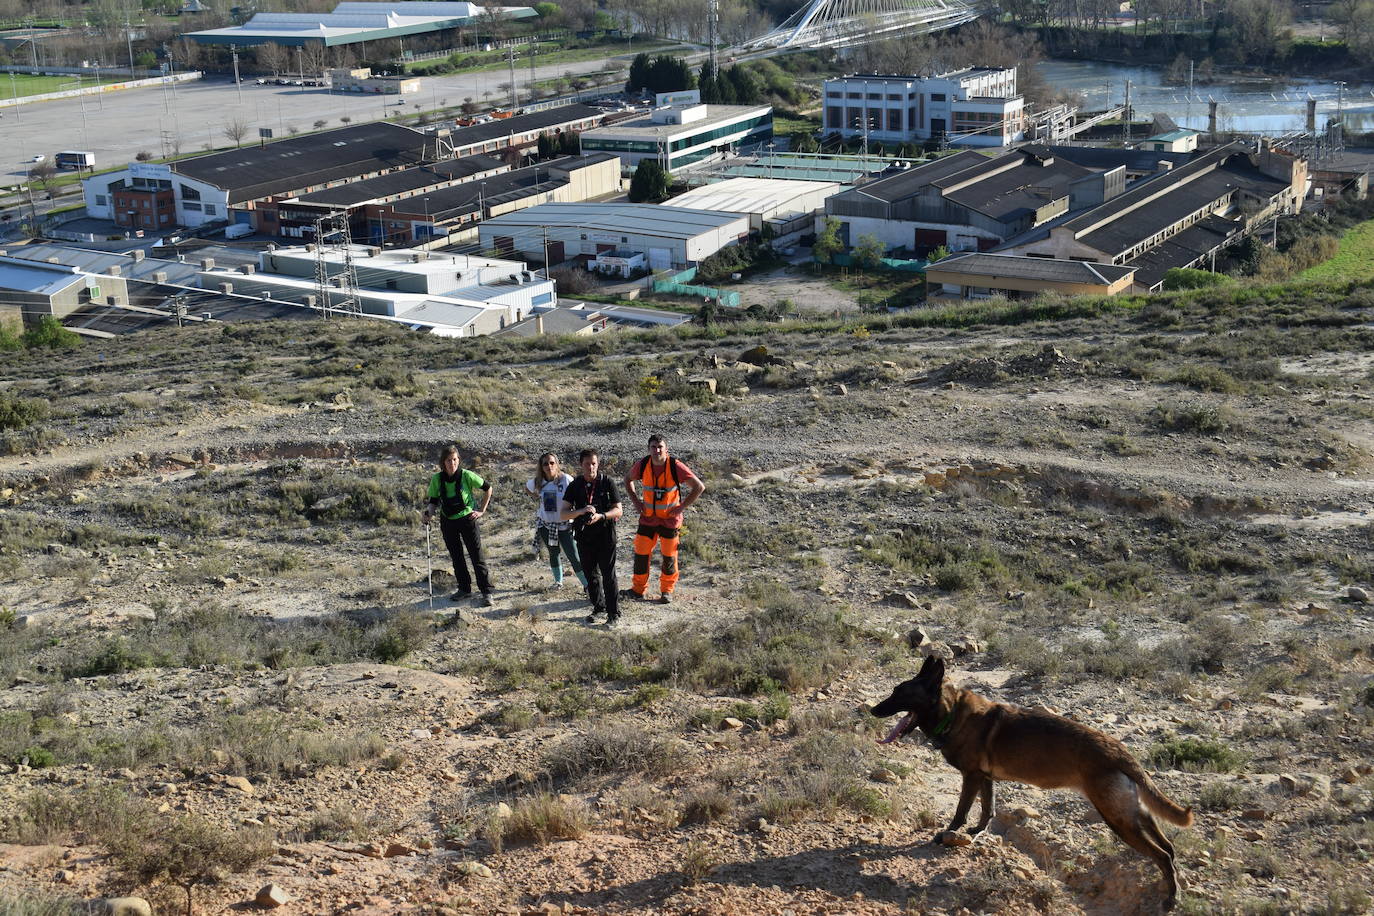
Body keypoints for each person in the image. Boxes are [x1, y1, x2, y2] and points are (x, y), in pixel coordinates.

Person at [622, 433, 704, 605]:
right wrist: (636, 502)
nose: (657, 450)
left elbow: (699, 487)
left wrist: (682, 507)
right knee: (641, 556)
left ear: (667, 450)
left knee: (669, 557)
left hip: (669, 521)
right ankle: (638, 590)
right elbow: (628, 479)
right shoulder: (643, 464)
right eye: (653, 447)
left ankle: (667, 591)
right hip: (648, 520)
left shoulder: (675, 466)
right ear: (648, 449)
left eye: (660, 447)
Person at [422, 444, 494, 607]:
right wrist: (428, 514)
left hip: (467, 519)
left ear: (458, 460)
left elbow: (488, 488)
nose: (452, 463)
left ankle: (486, 592)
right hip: (447, 521)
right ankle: (464, 589)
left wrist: (481, 510)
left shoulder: (467, 475)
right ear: (443, 462)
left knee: (476, 556)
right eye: (449, 460)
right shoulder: (437, 479)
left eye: (455, 460)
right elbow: (433, 500)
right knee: (457, 557)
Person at [560, 448, 623, 626]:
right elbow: (563, 514)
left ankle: (613, 613)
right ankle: (598, 606)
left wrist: (601, 515)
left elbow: (619, 510)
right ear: (581, 465)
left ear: (598, 464)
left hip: (605, 534)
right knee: (590, 574)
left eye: (593, 463)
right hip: (584, 536)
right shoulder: (575, 485)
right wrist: (581, 511)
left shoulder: (607, 482)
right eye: (587, 464)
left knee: (608, 574)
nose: (591, 467)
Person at [526, 452, 587, 590]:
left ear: (557, 464)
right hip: (546, 526)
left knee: (574, 555)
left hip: (565, 526)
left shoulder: (565, 479)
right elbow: (527, 488)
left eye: (552, 463)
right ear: (541, 467)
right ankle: (558, 582)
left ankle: (587, 584)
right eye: (545, 464)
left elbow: (578, 493)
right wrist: (535, 496)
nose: (549, 466)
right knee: (553, 553)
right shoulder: (537, 482)